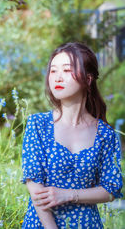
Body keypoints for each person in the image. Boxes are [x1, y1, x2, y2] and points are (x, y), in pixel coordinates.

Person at [21, 42, 123, 229]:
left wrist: (68, 194)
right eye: (53, 71)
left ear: (89, 79)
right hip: (42, 224)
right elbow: (34, 186)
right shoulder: (38, 124)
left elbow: (111, 189)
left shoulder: (105, 134)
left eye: (67, 70)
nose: (58, 78)